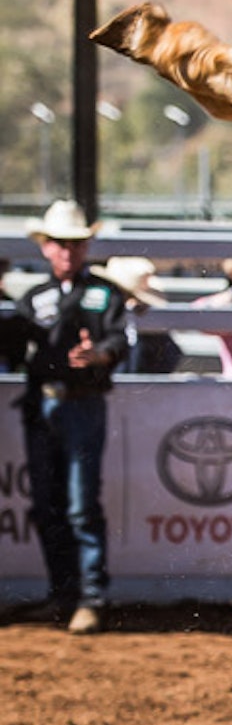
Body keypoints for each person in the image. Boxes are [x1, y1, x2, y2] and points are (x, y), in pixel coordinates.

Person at [12, 200, 129, 634]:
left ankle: (90, 597)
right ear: (46, 247)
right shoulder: (33, 299)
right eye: (60, 243)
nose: (67, 251)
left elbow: (120, 339)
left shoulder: (106, 294)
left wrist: (98, 354)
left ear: (86, 247)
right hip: (43, 403)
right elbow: (14, 344)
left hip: (82, 402)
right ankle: (64, 596)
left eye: (75, 243)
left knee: (80, 504)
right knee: (48, 505)